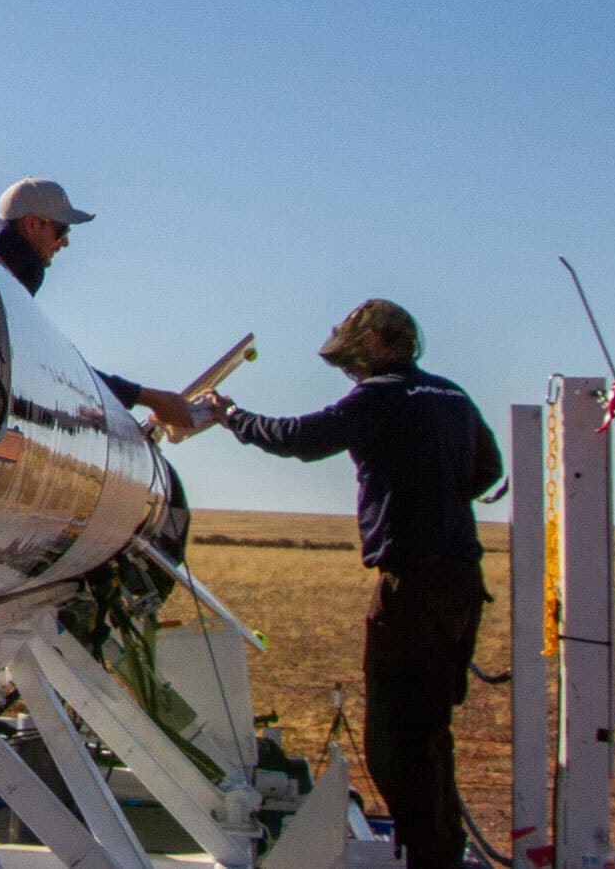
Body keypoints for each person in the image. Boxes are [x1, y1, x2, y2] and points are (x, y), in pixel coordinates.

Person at [196, 299, 501, 869]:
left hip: (411, 589)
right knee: (430, 730)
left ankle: (430, 857)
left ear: (376, 345)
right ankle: (439, 850)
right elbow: (489, 470)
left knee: (395, 744)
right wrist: (433, 490)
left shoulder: (380, 396)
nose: (351, 369)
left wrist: (230, 415)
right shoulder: (453, 396)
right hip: (461, 583)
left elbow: (301, 438)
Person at [0, 177, 199, 435]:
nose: (65, 242)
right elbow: (51, 371)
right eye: (61, 230)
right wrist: (152, 399)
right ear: (32, 224)